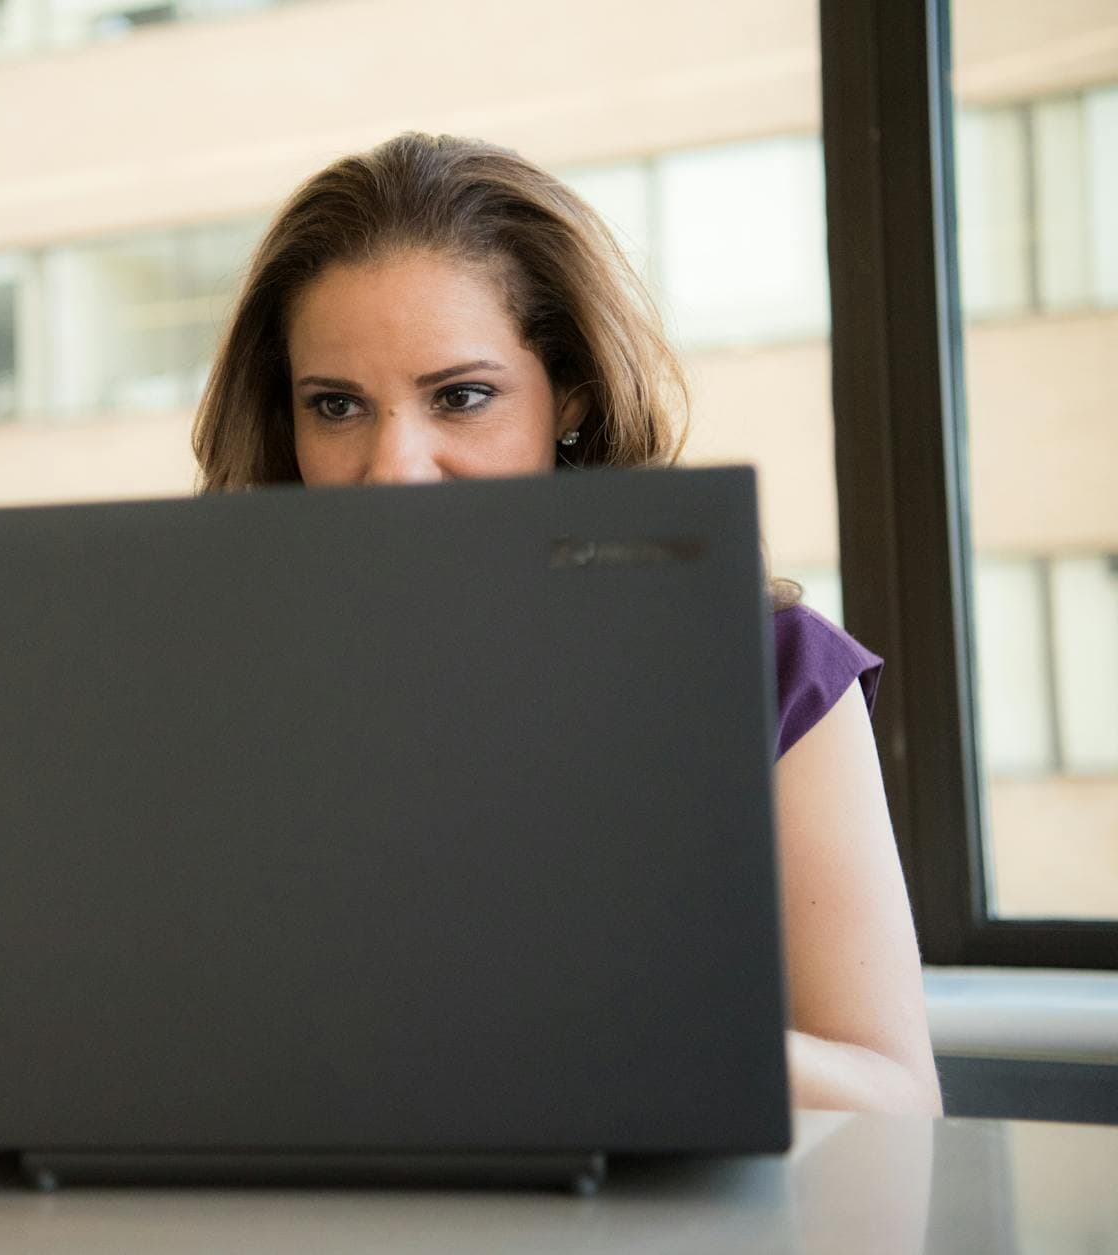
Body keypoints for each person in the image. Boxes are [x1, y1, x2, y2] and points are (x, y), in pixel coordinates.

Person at [192, 132, 943, 1116]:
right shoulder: (207, 678)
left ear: (571, 398)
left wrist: (613, 1023)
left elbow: (892, 1096)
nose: (394, 466)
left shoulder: (767, 669)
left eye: (458, 397)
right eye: (335, 406)